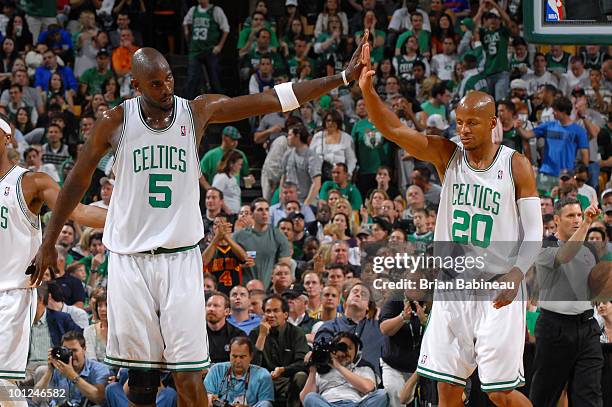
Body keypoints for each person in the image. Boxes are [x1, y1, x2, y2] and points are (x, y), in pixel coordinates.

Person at [35, 41, 367, 406]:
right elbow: (77, 181)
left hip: (180, 258)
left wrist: (340, 78)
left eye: (169, 80)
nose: (166, 89)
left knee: (189, 374)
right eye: (156, 84)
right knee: (139, 377)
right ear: (136, 86)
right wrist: (49, 241)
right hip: (131, 260)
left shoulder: (195, 112)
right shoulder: (114, 122)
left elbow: (272, 98)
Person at [359, 40, 542, 405]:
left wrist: (518, 272)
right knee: (447, 388)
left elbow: (535, 230)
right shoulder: (447, 156)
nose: (463, 130)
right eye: (459, 123)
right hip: (452, 289)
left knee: (501, 393)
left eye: (472, 123)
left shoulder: (514, 164)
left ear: (493, 123)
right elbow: (395, 131)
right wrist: (367, 90)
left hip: (496, 291)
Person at [0, 112, 104, 397]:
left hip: (11, 294)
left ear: (8, 137)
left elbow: (79, 212)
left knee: (2, 385)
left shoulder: (31, 182)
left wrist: (129, 216)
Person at [530, 197, 604, 406]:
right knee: (545, 397)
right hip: (555, 329)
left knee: (589, 396)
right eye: (571, 216)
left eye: (580, 215)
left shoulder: (589, 249)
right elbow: (565, 256)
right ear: (556, 219)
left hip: (587, 328)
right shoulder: (544, 245)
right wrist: (589, 223)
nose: (577, 220)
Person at [249, 295, 309, 407]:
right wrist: (262, 336)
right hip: (263, 380)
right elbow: (252, 366)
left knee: (301, 376)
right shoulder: (255, 333)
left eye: (276, 311)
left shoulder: (296, 333)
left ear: (285, 315)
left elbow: (303, 363)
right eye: (268, 311)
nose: (271, 315)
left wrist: (283, 370)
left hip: (288, 379)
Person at [300, 331, 388, 407]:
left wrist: (338, 366)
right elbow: (305, 399)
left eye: (350, 348)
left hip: (356, 404)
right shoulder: (322, 370)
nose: (346, 352)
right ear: (333, 350)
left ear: (356, 353)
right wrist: (312, 371)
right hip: (328, 404)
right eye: (342, 347)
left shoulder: (363, 369)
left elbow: (368, 387)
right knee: (310, 397)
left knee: (382, 394)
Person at [33, 331, 111, 407]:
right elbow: (36, 400)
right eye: (66, 350)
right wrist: (50, 370)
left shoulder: (99, 369)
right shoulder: (57, 368)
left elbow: (100, 399)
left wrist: (72, 375)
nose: (70, 354)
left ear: (84, 349)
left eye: (74, 350)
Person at [233, 198, 292, 284]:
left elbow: (284, 265)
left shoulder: (278, 235)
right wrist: (241, 265)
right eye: (260, 210)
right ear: (252, 214)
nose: (264, 213)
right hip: (245, 289)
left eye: (267, 210)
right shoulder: (239, 236)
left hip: (270, 290)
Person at [204, 336, 274, 407]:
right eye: (234, 356)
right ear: (229, 355)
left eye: (242, 357)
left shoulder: (263, 375)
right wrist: (209, 397)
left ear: (251, 356)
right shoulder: (216, 370)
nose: (238, 361)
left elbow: (266, 404)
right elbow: (206, 395)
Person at [203, 214, 248, 295]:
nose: (219, 228)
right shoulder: (208, 247)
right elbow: (203, 262)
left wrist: (226, 237)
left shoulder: (237, 246)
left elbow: (244, 258)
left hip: (234, 293)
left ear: (229, 227)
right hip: (213, 293)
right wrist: (217, 238)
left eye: (222, 225)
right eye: (216, 224)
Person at [205, 291, 247, 364]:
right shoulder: (197, 334)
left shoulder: (238, 335)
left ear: (227, 311)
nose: (211, 309)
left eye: (216, 306)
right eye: (208, 305)